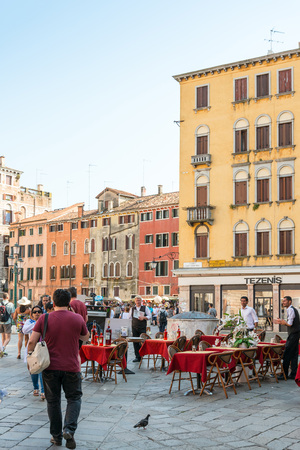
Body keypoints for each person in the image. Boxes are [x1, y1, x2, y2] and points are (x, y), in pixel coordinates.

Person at [28, 289, 89, 449]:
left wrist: (29, 355)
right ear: (69, 303)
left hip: (50, 367)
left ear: (53, 303)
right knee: (74, 398)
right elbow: (85, 337)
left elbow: (32, 341)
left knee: (53, 401)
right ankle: (69, 429)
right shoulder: (77, 318)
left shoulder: (44, 318)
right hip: (72, 366)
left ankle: (56, 437)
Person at [274, 296, 300, 380]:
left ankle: (284, 374)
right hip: (295, 334)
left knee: (287, 354)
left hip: (293, 334)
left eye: (285, 301)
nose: (283, 302)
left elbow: (289, 324)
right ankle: (293, 374)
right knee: (294, 355)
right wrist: (282, 321)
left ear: (290, 302)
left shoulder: (291, 309)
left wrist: (282, 322)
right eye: (283, 301)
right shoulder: (290, 309)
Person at [22, 305, 45, 400]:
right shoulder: (29, 322)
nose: (37, 313)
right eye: (34, 312)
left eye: (39, 311)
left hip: (42, 348)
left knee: (41, 370)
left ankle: (43, 391)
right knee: (33, 369)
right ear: (31, 314)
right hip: (32, 347)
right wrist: (37, 323)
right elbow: (24, 330)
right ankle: (36, 387)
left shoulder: (45, 322)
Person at [131, 296, 151, 362]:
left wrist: (144, 317)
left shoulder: (145, 308)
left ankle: (141, 354)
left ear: (141, 301)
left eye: (139, 300)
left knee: (142, 342)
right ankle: (137, 356)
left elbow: (149, 316)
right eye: (136, 300)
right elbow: (129, 317)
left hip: (142, 327)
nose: (138, 301)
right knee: (135, 342)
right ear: (135, 301)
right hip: (134, 327)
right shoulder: (132, 308)